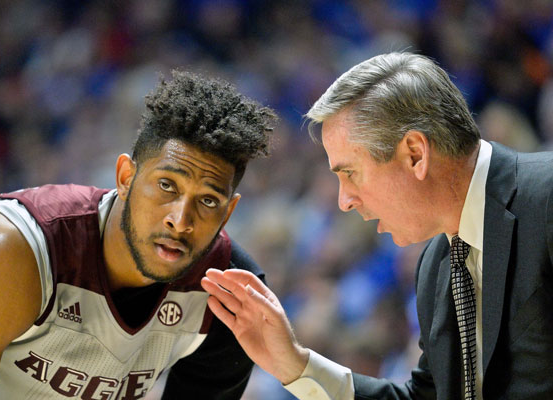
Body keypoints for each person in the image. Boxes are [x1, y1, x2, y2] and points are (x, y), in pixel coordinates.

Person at [201, 52, 553, 399]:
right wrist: (295, 365)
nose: (344, 201)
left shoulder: (547, 197)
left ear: (415, 153)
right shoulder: (436, 264)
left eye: (350, 173)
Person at [0, 70, 276, 399]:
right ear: (125, 177)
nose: (180, 220)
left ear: (229, 211)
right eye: (167, 185)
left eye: (209, 201)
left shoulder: (230, 296)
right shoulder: (16, 247)